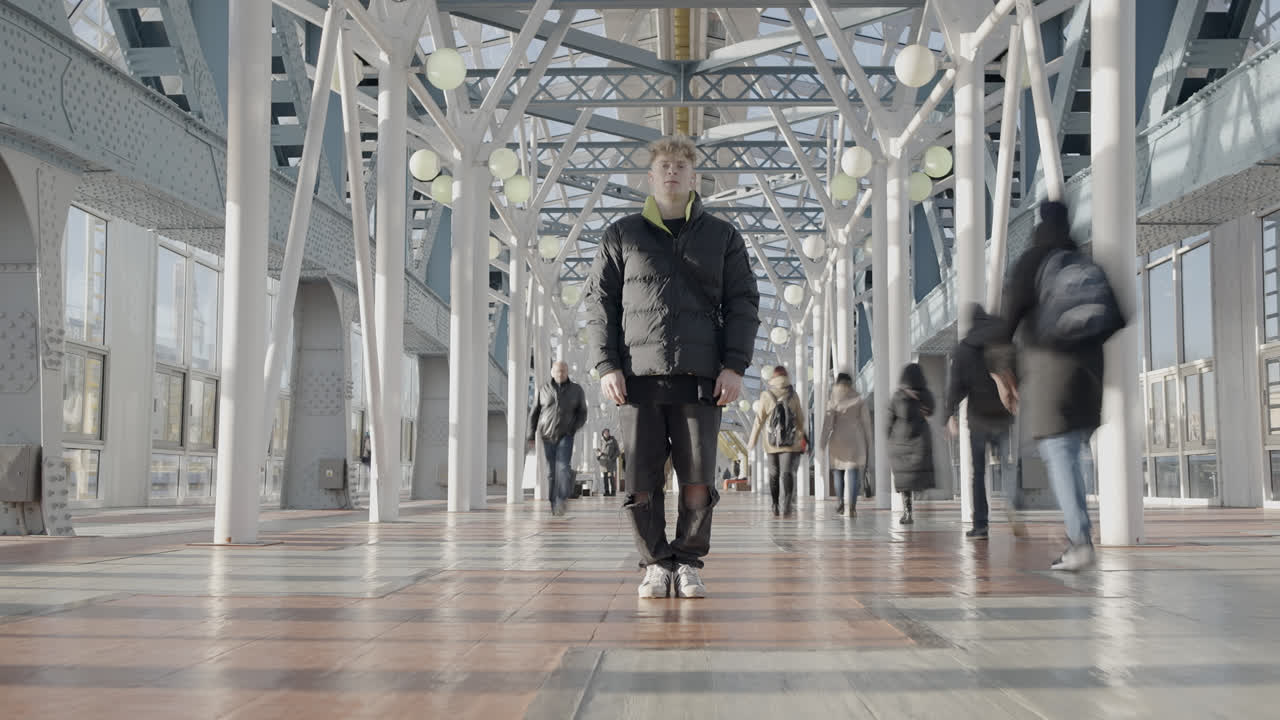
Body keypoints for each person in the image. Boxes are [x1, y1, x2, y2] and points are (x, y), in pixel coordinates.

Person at [583, 134, 760, 599]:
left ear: (694, 176)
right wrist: (606, 365)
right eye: (664, 165)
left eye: (681, 165)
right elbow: (600, 305)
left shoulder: (722, 236)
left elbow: (743, 302)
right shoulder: (621, 235)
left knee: (699, 480)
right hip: (637, 381)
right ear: (651, 175)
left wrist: (735, 366)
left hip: (700, 379)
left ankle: (687, 561)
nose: (672, 172)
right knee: (640, 482)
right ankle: (655, 564)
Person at [988, 200, 1105, 571]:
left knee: (1060, 452)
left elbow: (1003, 326)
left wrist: (1003, 378)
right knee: (1072, 452)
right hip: (1090, 374)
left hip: (1050, 375)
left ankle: (1080, 540)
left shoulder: (1032, 263)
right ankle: (1078, 531)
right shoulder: (1083, 263)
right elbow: (1118, 315)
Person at [945, 303, 1024, 539]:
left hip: (978, 419)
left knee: (978, 473)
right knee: (1007, 466)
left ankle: (980, 524)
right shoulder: (1004, 341)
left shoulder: (965, 349)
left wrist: (949, 414)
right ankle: (1012, 503)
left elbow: (956, 386)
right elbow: (1019, 374)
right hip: (1002, 415)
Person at [525, 361, 588, 516]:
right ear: (552, 372)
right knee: (551, 472)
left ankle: (561, 498)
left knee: (563, 467)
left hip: (566, 434)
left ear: (567, 372)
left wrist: (574, 428)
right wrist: (531, 434)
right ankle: (554, 503)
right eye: (558, 371)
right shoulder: (543, 390)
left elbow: (583, 412)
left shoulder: (576, 390)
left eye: (564, 371)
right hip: (547, 435)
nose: (561, 374)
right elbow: (534, 413)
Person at [747, 366, 808, 517]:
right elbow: (801, 419)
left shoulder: (766, 395)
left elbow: (759, 420)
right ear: (787, 377)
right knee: (787, 473)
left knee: (774, 473)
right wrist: (801, 436)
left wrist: (752, 441)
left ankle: (775, 504)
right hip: (790, 442)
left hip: (771, 442)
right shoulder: (793, 395)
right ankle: (787, 503)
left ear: (772, 378)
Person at [887, 362, 935, 525]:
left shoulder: (898, 396)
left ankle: (908, 512)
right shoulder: (925, 394)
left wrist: (889, 437)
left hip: (900, 440)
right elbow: (931, 410)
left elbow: (889, 418)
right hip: (920, 438)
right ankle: (925, 501)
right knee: (920, 473)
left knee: (904, 479)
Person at [821, 371, 872, 516]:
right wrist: (869, 440)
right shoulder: (858, 398)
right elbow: (866, 422)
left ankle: (840, 503)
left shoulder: (833, 399)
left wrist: (822, 442)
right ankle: (853, 508)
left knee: (838, 473)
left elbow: (828, 424)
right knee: (853, 473)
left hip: (838, 440)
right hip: (855, 440)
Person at [596, 428, 620, 497]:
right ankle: (606, 491)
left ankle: (613, 491)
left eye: (607, 433)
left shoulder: (613, 440)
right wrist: (599, 455)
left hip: (611, 462)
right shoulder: (600, 440)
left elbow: (617, 451)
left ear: (609, 433)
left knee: (611, 476)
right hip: (603, 462)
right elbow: (597, 450)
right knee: (605, 477)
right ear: (603, 434)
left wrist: (613, 458)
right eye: (605, 433)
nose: (606, 434)